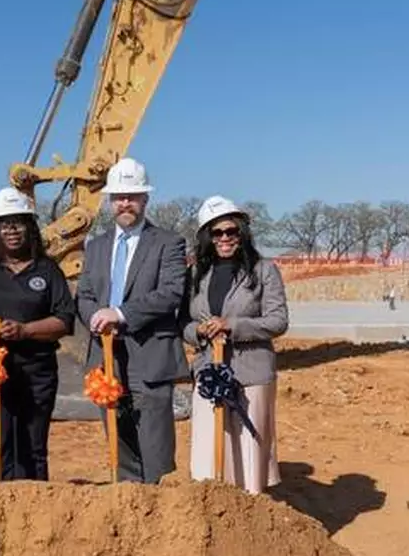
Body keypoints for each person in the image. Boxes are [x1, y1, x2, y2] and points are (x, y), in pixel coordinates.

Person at [75, 158, 188, 484]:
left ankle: (161, 518)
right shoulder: (95, 246)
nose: (125, 203)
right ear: (110, 200)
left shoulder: (168, 243)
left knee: (155, 450)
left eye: (132, 196)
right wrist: (95, 315)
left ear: (145, 199)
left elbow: (170, 294)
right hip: (106, 359)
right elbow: (83, 294)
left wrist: (120, 313)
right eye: (119, 196)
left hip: (149, 358)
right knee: (119, 446)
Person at [0, 187, 74, 481]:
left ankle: (34, 514)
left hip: (36, 373)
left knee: (33, 446)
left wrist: (25, 331)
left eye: (19, 222)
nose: (12, 230)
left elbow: (65, 320)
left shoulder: (48, 270)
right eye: (4, 224)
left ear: (31, 227)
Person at [183, 195, 288, 494]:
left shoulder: (264, 270)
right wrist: (200, 331)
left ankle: (247, 518)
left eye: (232, 231)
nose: (225, 238)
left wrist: (233, 326)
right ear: (207, 237)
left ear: (242, 233)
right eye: (217, 233)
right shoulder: (195, 275)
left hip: (250, 375)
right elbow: (183, 325)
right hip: (208, 373)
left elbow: (278, 320)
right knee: (208, 453)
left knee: (247, 456)